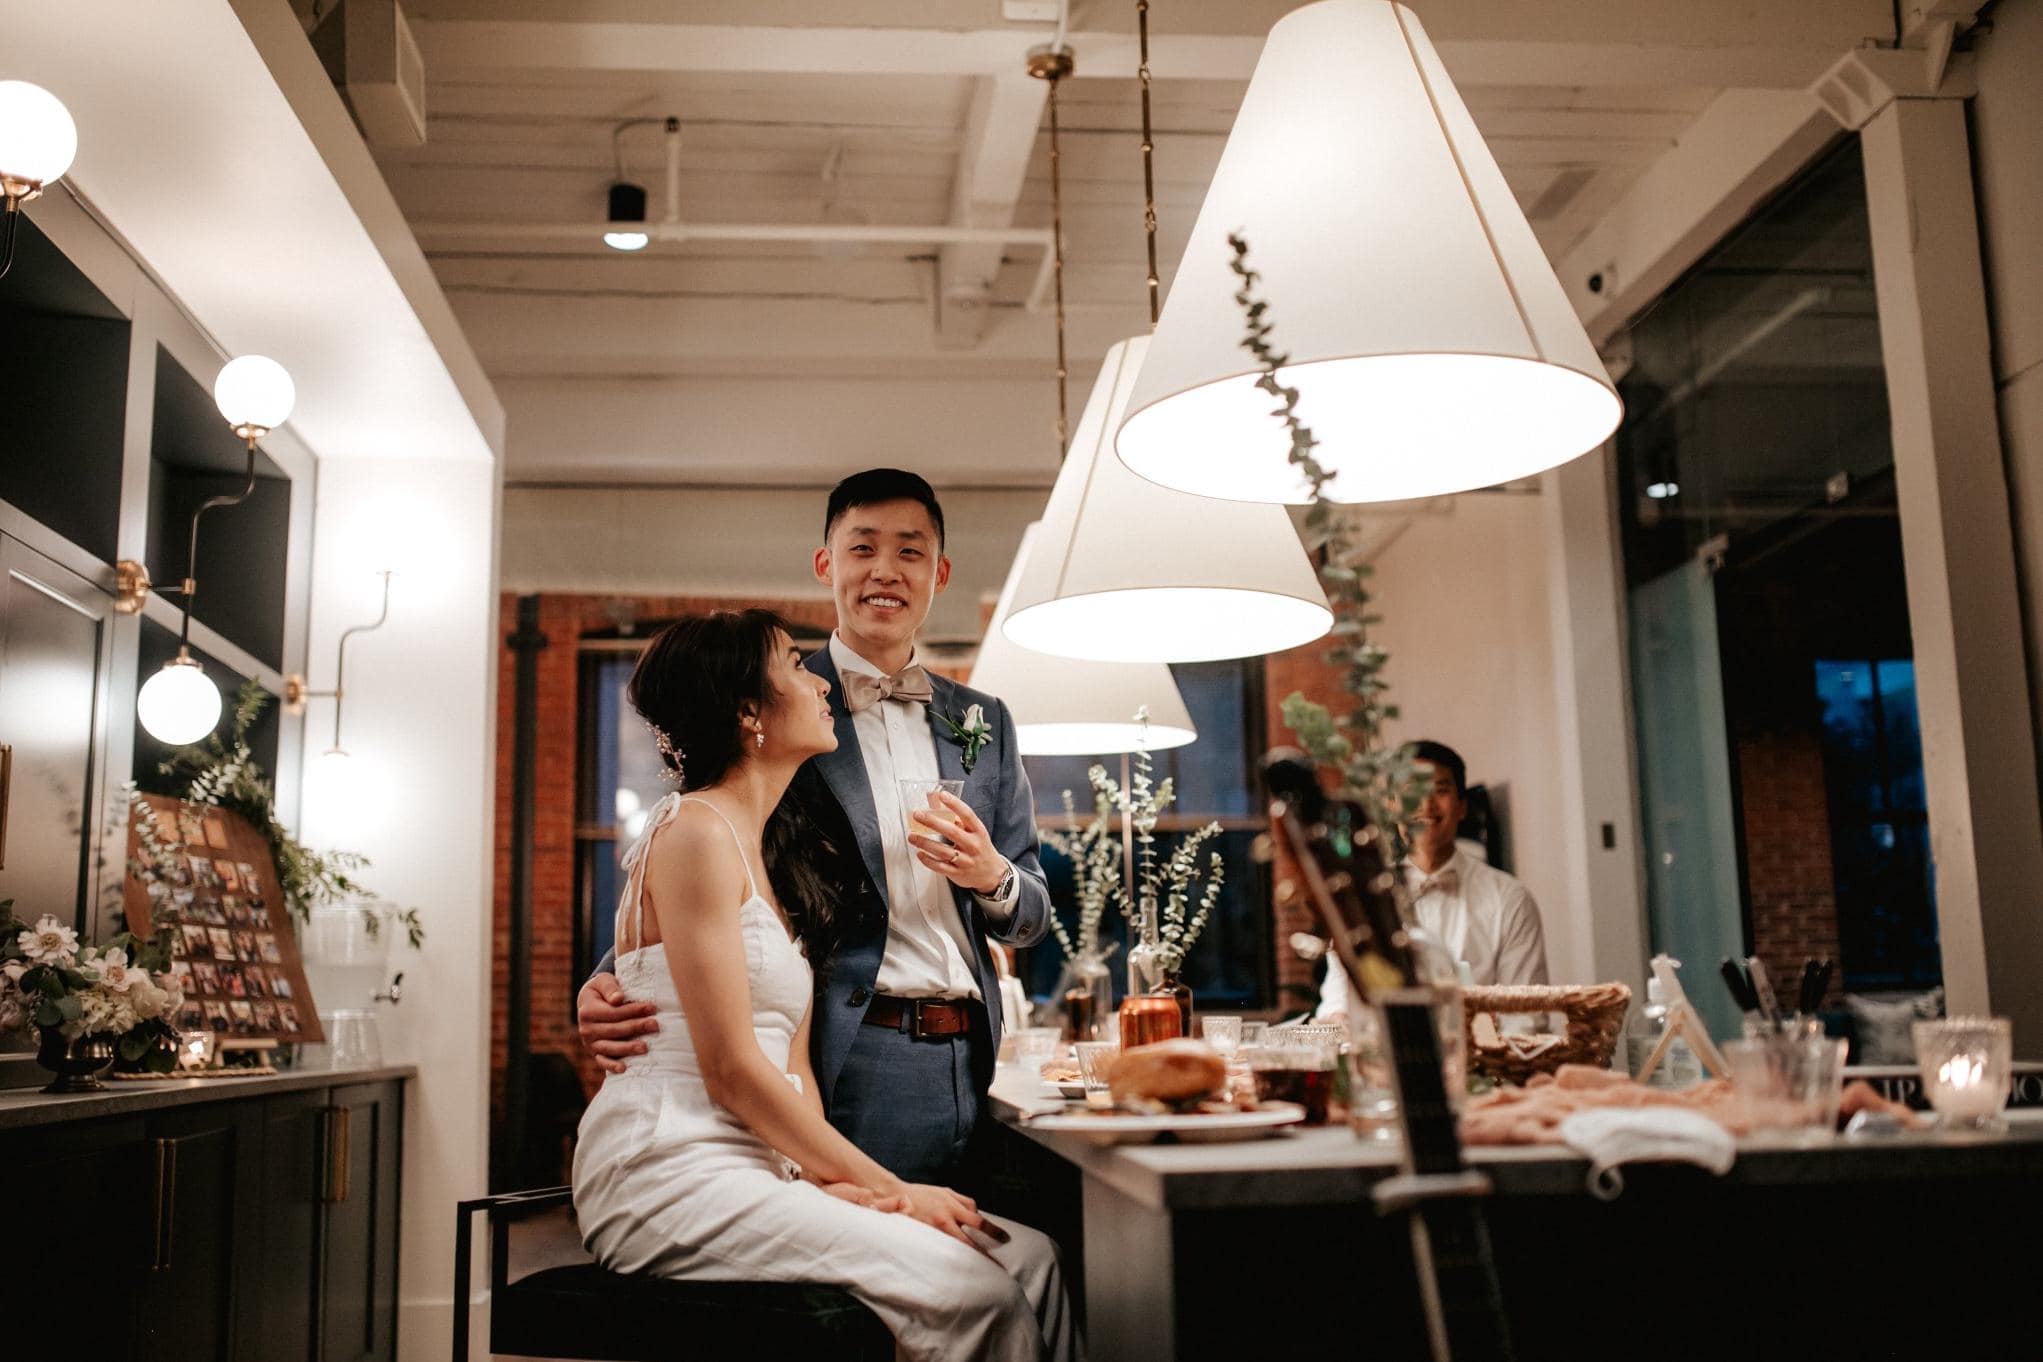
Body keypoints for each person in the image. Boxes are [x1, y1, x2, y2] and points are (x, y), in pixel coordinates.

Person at [572, 610, 1075, 1362]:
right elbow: (733, 1069)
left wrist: (819, 1180)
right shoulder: (695, 831)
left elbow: (792, 1061)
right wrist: (896, 1191)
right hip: (670, 1165)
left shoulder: (768, 857)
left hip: (757, 1162)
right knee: (976, 1290)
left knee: (1029, 1256)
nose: (817, 683)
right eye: (792, 667)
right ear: (748, 712)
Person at [579, 469, 1052, 1186]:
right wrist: (610, 978)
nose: (884, 572)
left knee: (990, 1245)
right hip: (844, 1049)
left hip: (974, 1050)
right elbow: (702, 838)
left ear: (940, 572)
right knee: (879, 1270)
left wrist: (991, 876)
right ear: (826, 564)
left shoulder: (985, 721)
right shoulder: (781, 705)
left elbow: (1033, 918)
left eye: (910, 552)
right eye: (862, 549)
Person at [1314, 740, 1549, 1020]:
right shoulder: (1363, 898)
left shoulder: (1510, 898)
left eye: (1440, 790)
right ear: (1392, 806)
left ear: (1461, 807)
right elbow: (1337, 1003)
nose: (1426, 804)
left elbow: (1526, 1017)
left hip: (1483, 1061)